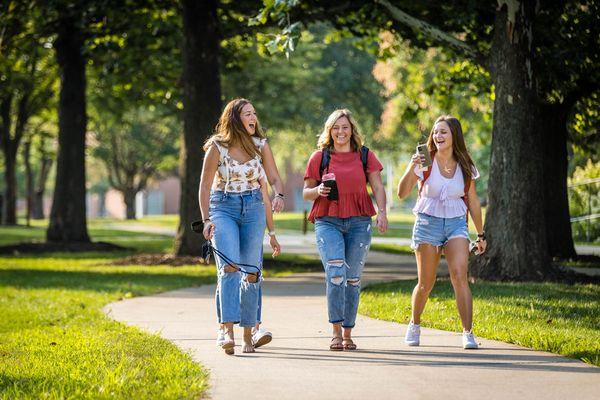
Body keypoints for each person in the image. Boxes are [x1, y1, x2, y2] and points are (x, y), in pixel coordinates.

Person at [397, 115, 487, 349]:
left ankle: (468, 332)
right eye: (435, 132)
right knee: (426, 282)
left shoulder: (465, 162)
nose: (438, 136)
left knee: (459, 275)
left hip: (456, 222)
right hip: (428, 222)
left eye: (443, 132)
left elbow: (474, 201)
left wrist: (481, 234)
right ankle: (415, 324)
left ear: (454, 135)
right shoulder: (425, 158)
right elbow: (401, 193)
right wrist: (412, 167)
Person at [199, 98, 281, 355]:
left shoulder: (260, 146)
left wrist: (279, 194)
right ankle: (226, 331)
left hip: (254, 207)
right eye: (247, 113)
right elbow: (204, 185)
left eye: (254, 113)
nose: (253, 117)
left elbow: (275, 178)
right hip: (223, 207)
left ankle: (248, 333)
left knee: (252, 272)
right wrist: (206, 220)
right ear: (235, 118)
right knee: (230, 267)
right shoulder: (217, 147)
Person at [303, 109, 388, 351]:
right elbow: (305, 193)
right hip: (327, 220)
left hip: (359, 222)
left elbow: (378, 187)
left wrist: (382, 212)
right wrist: (318, 190)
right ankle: (336, 332)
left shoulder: (365, 156)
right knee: (336, 272)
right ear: (329, 131)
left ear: (352, 130)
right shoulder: (320, 157)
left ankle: (349, 333)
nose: (341, 132)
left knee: (352, 279)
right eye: (336, 127)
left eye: (345, 127)